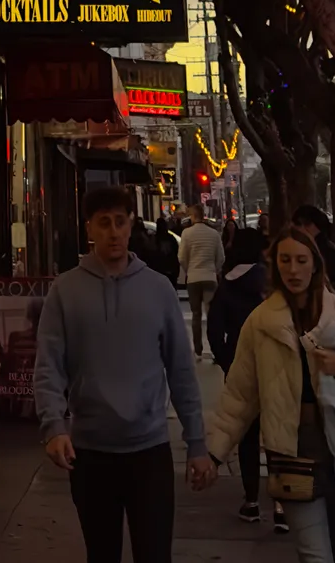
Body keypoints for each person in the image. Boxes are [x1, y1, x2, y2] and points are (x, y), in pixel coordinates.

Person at [34, 186, 217, 563]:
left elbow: (181, 371)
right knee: (102, 553)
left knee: (154, 553)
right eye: (104, 223)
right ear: (89, 228)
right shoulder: (65, 291)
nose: (114, 232)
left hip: (149, 450)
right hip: (90, 452)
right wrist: (53, 426)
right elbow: (48, 364)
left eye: (120, 222)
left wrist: (197, 443)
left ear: (132, 224)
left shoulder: (158, 289)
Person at [205, 227, 335, 563]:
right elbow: (239, 395)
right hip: (292, 454)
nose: (293, 269)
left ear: (315, 265)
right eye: (285, 260)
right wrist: (213, 453)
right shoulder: (261, 323)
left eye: (301, 260)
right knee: (314, 556)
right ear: (274, 265)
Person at [206, 227, 286, 533]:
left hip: (242, 368)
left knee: (247, 435)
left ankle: (251, 500)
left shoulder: (226, 287)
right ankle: (281, 504)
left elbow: (215, 330)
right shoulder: (271, 283)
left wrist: (228, 360)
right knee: (278, 435)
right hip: (275, 366)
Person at [176, 208, 224, 356]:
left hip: (193, 278)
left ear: (192, 216)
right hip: (209, 277)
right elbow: (221, 257)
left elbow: (181, 257)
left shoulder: (187, 234)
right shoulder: (214, 234)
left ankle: (198, 348)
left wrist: (189, 269)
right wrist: (214, 270)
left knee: (196, 314)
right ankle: (215, 348)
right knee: (211, 315)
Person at [292, 202, 335, 302]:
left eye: (306, 224)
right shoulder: (296, 246)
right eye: (298, 224)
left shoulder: (326, 250)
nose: (301, 228)